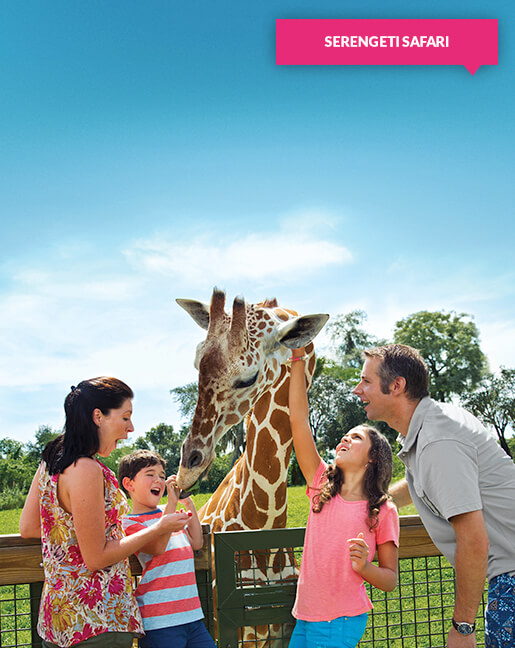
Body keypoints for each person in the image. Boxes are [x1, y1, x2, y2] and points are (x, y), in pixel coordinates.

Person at [353, 344, 515, 648]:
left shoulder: (437, 440)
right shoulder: (431, 427)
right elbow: (422, 483)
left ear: (397, 385)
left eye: (366, 381)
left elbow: (474, 540)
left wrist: (463, 627)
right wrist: (376, 502)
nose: (357, 389)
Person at [20, 377, 191, 648]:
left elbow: (29, 528)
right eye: (124, 418)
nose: (130, 428)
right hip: (98, 620)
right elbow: (96, 557)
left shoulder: (51, 461)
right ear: (98, 416)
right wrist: (159, 527)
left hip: (58, 621)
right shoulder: (87, 469)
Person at [288, 347, 399, 648]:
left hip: (340, 620)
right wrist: (297, 360)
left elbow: (389, 579)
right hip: (306, 616)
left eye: (357, 437)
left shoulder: (383, 510)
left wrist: (364, 567)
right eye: (344, 436)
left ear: (373, 458)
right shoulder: (320, 483)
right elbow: (298, 419)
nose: (345, 438)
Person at [118, 449, 216, 648]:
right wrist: (171, 503)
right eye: (150, 475)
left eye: (162, 476)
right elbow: (158, 547)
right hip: (160, 620)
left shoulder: (168, 512)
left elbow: (196, 542)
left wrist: (187, 502)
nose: (159, 480)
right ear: (129, 484)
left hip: (192, 615)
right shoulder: (129, 523)